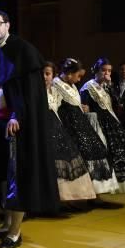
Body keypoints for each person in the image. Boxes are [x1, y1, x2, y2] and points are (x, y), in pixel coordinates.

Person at [0, 10, 59, 248]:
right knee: (2, 175)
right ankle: (6, 223)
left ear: (8, 25)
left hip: (16, 124)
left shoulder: (23, 51)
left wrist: (16, 114)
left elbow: (29, 92)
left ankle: (15, 232)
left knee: (17, 176)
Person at [81, 58, 125, 193]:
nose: (106, 73)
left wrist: (111, 86)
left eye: (109, 71)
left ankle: (114, 186)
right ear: (96, 71)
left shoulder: (107, 86)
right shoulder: (88, 87)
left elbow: (118, 103)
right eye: (103, 70)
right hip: (97, 124)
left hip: (111, 122)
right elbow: (86, 108)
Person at [53, 58, 119, 196]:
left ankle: (93, 193)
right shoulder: (56, 85)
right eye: (78, 76)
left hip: (81, 125)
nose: (78, 80)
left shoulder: (73, 86)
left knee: (98, 151)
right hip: (69, 127)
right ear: (69, 73)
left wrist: (81, 108)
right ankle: (76, 195)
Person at [43, 62, 96, 203]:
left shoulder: (55, 91)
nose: (45, 77)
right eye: (43, 73)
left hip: (57, 127)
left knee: (68, 160)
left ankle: (66, 199)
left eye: (48, 74)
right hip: (46, 129)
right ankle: (51, 199)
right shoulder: (41, 91)